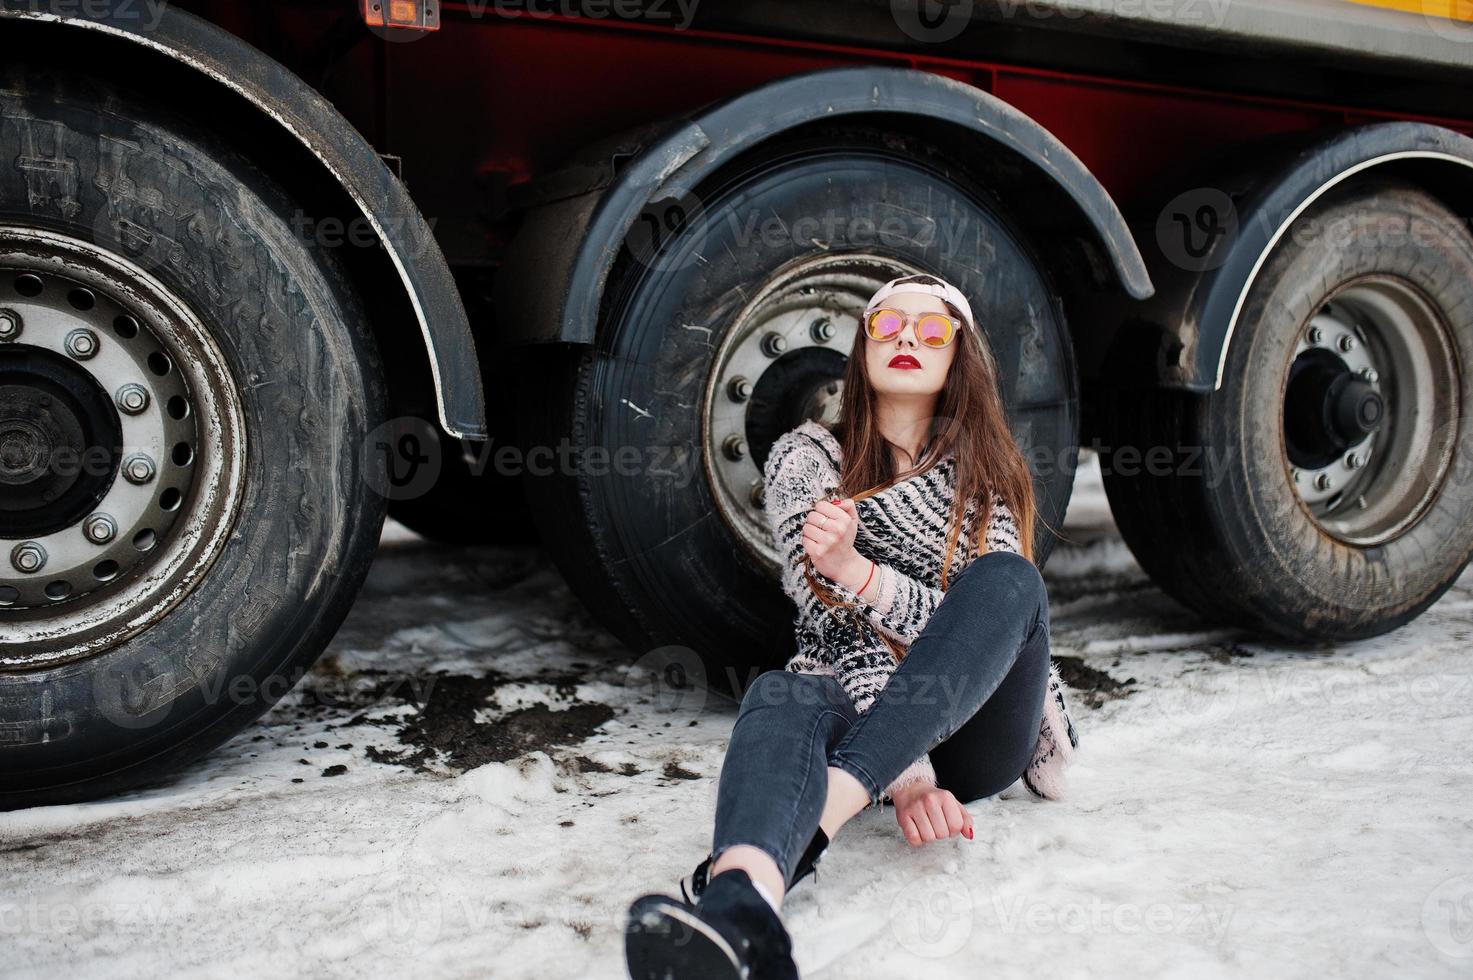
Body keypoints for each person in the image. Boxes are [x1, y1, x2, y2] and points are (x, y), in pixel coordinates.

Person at [623, 273, 1081, 980]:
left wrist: (858, 573)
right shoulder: (806, 459)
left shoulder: (985, 472)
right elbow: (830, 624)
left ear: (958, 355)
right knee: (781, 691)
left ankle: (828, 810)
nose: (905, 337)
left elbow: (983, 624)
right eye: (887, 325)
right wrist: (901, 776)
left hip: (979, 727)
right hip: (858, 692)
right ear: (860, 348)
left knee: (1008, 581)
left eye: (930, 330)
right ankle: (742, 904)